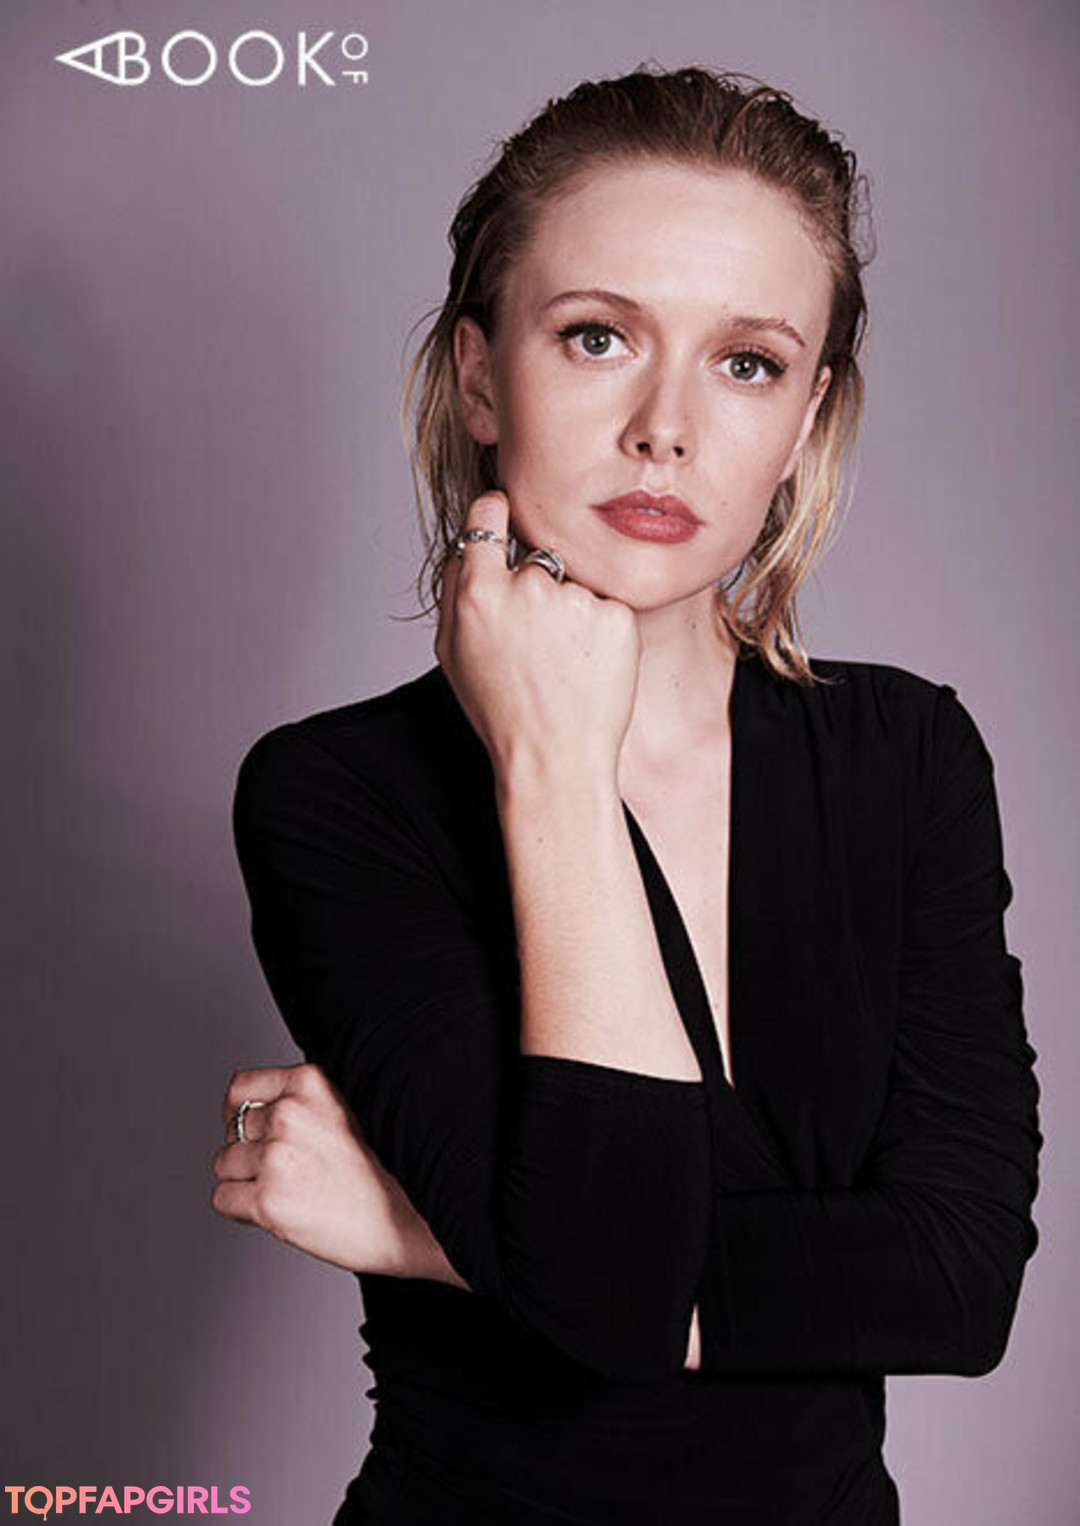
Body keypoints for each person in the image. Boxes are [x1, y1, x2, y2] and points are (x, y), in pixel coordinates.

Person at [210, 64, 1042, 1525]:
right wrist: (551, 768)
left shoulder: (908, 756)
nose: (668, 425)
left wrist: (423, 1230)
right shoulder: (338, 794)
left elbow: (960, 1284)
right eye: (598, 336)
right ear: (481, 377)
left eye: (747, 363)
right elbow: (618, 1274)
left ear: (807, 417)